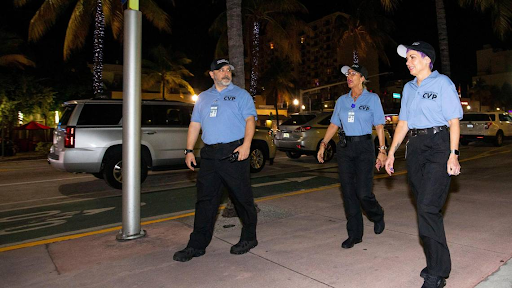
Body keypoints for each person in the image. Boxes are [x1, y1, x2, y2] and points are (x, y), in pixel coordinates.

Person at [384, 41, 463, 288]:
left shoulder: (443, 83)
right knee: (424, 209)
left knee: (428, 207)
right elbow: (403, 123)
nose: (408, 62)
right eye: (407, 58)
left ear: (428, 59)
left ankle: (437, 273)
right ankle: (435, 261)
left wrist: (453, 154)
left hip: (439, 145)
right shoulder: (408, 88)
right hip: (415, 148)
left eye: (413, 57)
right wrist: (390, 152)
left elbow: (454, 121)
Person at [173, 59, 258, 262]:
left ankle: (249, 237)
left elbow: (250, 120)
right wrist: (189, 150)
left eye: (228, 70)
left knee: (241, 197)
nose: (226, 73)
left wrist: (246, 145)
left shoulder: (241, 95)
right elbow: (195, 124)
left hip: (233, 151)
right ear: (212, 74)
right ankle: (197, 245)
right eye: (221, 70)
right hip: (209, 155)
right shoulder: (203, 98)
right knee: (205, 201)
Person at [317, 64, 387, 249]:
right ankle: (355, 235)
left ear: (362, 78)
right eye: (348, 74)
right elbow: (334, 124)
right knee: (348, 193)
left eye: (353, 73)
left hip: (364, 147)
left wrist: (382, 150)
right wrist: (323, 144)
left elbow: (379, 125)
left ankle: (377, 215)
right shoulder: (342, 101)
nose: (349, 76)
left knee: (363, 193)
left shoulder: (372, 99)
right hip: (345, 148)